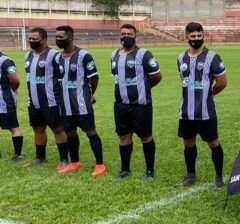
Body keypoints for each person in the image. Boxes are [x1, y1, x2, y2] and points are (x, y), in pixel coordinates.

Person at [175, 22, 227, 188]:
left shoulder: (213, 57)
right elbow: (183, 80)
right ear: (187, 37)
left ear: (203, 36)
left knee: (213, 143)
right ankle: (191, 175)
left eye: (199, 36)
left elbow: (222, 83)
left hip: (206, 111)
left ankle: (218, 177)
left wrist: (208, 94)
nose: (196, 39)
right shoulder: (181, 58)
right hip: (186, 111)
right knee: (188, 143)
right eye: (193, 36)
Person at [111, 24, 162, 181]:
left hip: (140, 105)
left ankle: (149, 171)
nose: (126, 36)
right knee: (124, 136)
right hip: (121, 105)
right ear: (120, 36)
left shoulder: (144, 54)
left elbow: (157, 76)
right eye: (123, 33)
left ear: (135, 36)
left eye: (130, 34)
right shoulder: (114, 55)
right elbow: (117, 77)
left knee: (145, 137)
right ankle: (125, 169)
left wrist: (144, 89)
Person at [54, 25, 106, 176]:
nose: (58, 40)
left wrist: (90, 94)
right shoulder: (58, 57)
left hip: (82, 103)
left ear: (71, 37)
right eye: (56, 37)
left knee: (91, 133)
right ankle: (75, 162)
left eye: (61, 37)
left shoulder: (84, 55)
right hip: (65, 104)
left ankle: (100, 164)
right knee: (70, 133)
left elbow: (94, 77)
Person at [24, 27, 68, 169]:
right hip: (34, 102)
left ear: (44, 39)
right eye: (30, 39)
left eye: (34, 39)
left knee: (57, 129)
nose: (31, 41)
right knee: (38, 129)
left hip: (51, 101)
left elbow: (63, 76)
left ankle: (64, 159)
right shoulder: (27, 56)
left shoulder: (54, 56)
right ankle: (40, 157)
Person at [0, 48, 23, 163]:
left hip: (4, 100)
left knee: (13, 127)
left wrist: (11, 92)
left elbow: (15, 80)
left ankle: (17, 155)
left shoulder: (5, 61)